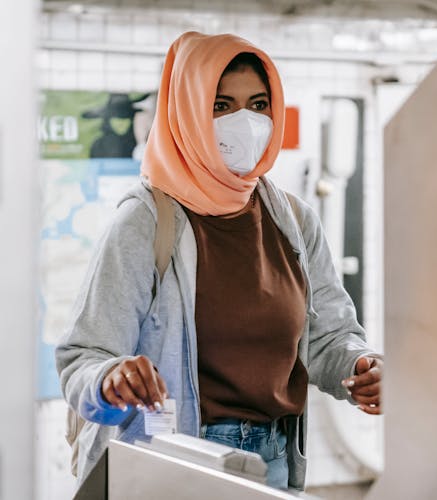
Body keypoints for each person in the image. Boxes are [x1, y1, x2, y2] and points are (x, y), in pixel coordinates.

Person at [55, 31, 383, 492]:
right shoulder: (145, 221)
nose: (244, 121)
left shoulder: (293, 220)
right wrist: (111, 377)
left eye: (259, 104)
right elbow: (83, 357)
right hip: (179, 459)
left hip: (276, 460)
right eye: (221, 105)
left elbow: (328, 336)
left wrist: (360, 365)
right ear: (187, 112)